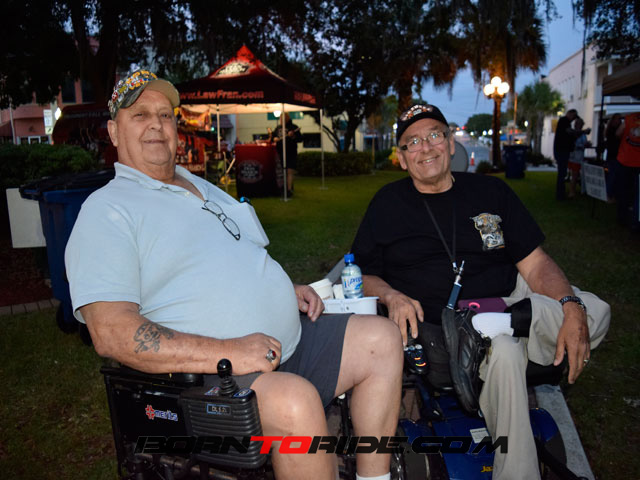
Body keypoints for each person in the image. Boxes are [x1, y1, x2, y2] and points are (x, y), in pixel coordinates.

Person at [64, 69, 403, 480]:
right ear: (114, 132)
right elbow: (112, 333)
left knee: (381, 339)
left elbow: (237, 254)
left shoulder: (201, 187)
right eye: (140, 115)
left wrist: (286, 288)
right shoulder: (106, 211)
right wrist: (229, 352)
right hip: (206, 378)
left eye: (165, 115)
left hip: (284, 343)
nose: (156, 124)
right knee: (295, 403)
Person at [351, 104, 611, 480]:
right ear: (402, 158)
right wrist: (391, 295)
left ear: (450, 142)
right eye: (413, 142)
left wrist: (570, 307)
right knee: (504, 351)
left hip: (511, 296)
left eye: (434, 135)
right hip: (447, 324)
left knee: (595, 309)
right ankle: (508, 328)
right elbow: (362, 274)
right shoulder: (387, 204)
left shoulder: (491, 191)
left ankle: (511, 321)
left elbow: (536, 264)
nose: (426, 147)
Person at [268, 112, 302, 196]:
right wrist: (274, 138)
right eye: (280, 118)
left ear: (287, 118)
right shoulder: (278, 128)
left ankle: (289, 190)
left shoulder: (294, 127)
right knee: (283, 171)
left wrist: (293, 136)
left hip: (291, 152)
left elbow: (300, 139)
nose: (281, 120)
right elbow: (272, 138)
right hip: (280, 152)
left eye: (283, 118)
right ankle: (284, 188)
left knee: (290, 170)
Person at [553, 109, 579, 200]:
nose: (573, 119)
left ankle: (561, 193)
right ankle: (560, 194)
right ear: (569, 114)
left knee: (562, 173)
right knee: (562, 173)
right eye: (573, 117)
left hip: (562, 150)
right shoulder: (564, 121)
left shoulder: (565, 122)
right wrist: (580, 132)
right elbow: (570, 132)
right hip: (562, 151)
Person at [567, 117, 590, 198]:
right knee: (574, 175)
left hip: (579, 157)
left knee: (576, 175)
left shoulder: (583, 134)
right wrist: (582, 145)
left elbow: (584, 143)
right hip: (574, 157)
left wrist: (586, 144)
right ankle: (571, 191)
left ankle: (573, 191)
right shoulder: (574, 133)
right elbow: (573, 145)